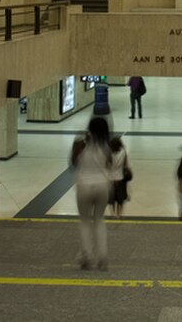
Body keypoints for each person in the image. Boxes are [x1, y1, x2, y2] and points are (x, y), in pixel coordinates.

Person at [70, 116, 112, 271]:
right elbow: (109, 164)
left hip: (84, 185)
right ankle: (103, 255)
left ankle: (87, 256)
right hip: (102, 185)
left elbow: (74, 163)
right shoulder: (106, 146)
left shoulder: (80, 143)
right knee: (99, 220)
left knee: (85, 221)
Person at [108, 136, 129, 218]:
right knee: (120, 199)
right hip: (120, 178)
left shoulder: (108, 153)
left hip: (110, 179)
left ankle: (112, 213)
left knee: (112, 199)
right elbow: (127, 165)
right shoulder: (123, 152)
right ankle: (119, 214)